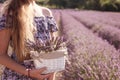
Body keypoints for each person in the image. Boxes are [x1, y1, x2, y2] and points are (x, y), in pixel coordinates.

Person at [0, 0, 58, 80]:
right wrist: (28, 72)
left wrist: (51, 75)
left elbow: (53, 52)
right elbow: (1, 55)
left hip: (43, 76)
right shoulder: (11, 13)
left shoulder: (46, 13)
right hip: (17, 76)